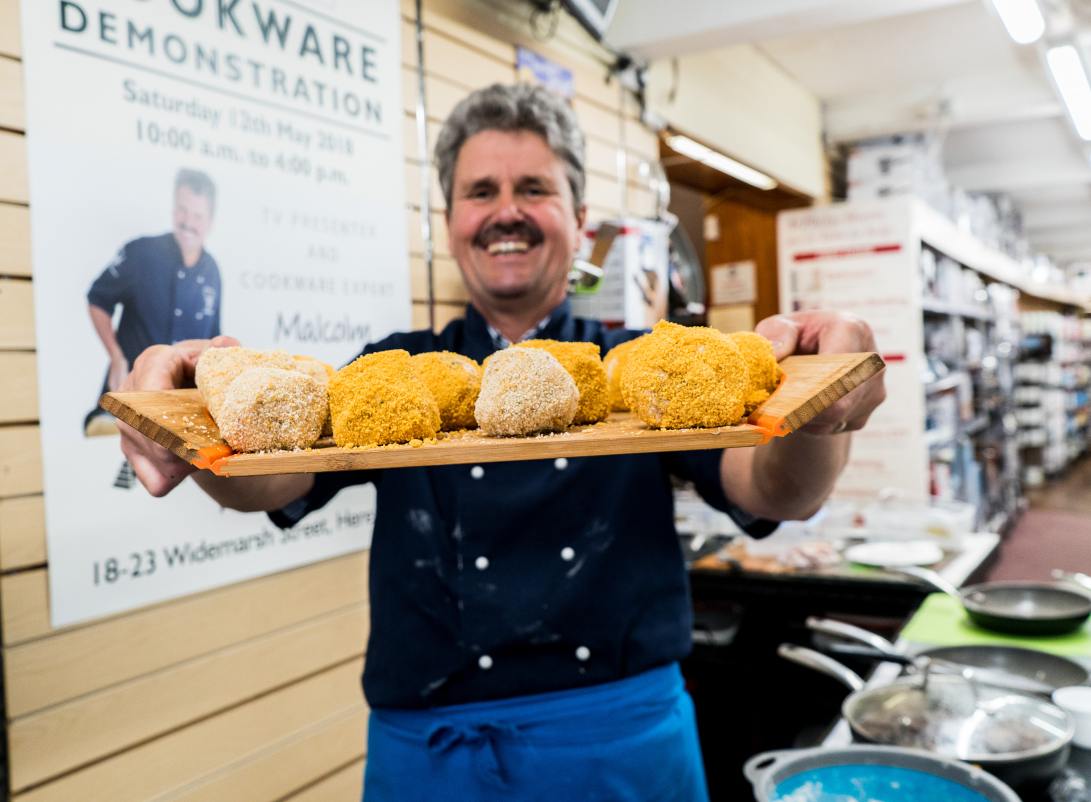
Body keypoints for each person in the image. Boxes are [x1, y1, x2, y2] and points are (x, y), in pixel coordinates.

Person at [115, 84, 886, 800]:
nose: (505, 211)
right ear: (450, 221)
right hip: (432, 751)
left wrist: (820, 407)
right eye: (480, 191)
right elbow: (265, 481)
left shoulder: (639, 364)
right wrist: (202, 415)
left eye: (535, 189)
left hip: (620, 742)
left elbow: (777, 489)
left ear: (580, 220)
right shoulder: (394, 368)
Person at [84, 169, 222, 437]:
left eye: (198, 215)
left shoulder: (213, 271)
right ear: (173, 210)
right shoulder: (141, 253)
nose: (188, 222)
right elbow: (97, 299)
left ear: (210, 222)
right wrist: (115, 355)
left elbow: (213, 344)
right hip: (126, 404)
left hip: (180, 418)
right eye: (183, 210)